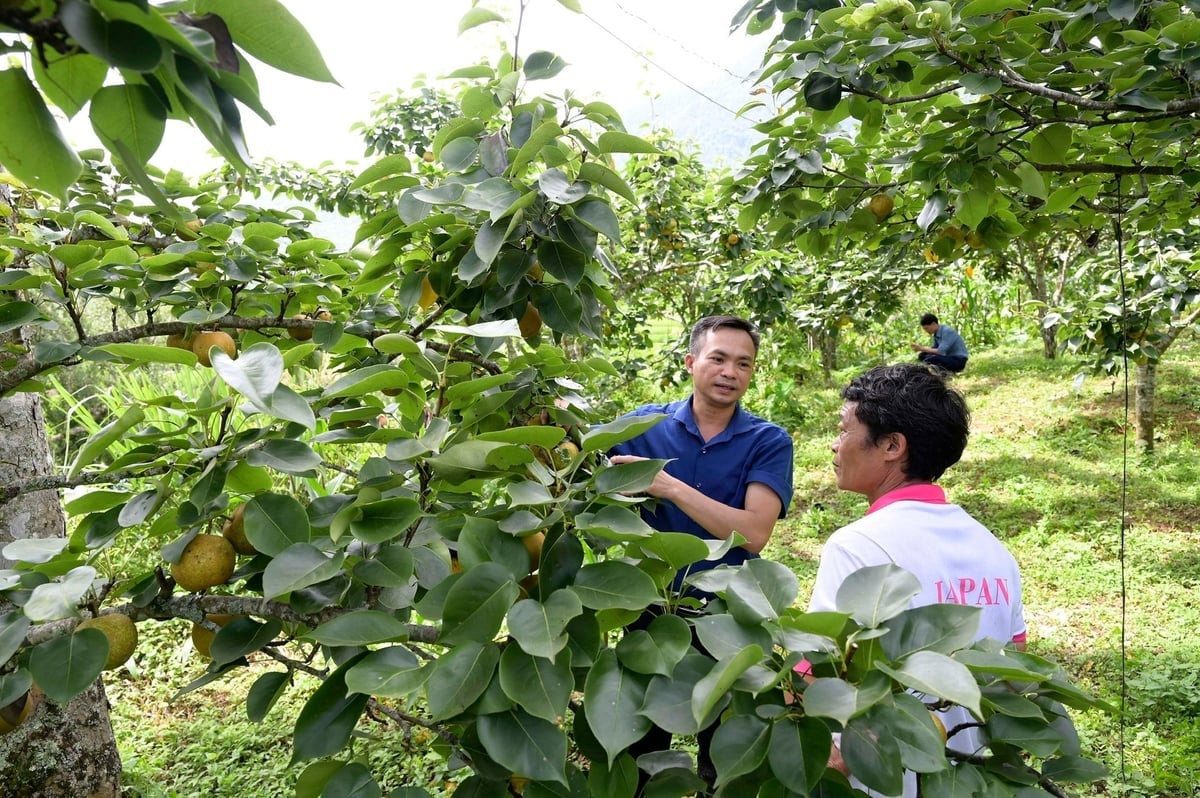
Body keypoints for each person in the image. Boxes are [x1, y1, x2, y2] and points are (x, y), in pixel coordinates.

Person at [809, 362, 1025, 797]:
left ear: (891, 445)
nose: (835, 445)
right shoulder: (995, 551)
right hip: (970, 779)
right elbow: (1013, 679)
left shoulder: (857, 546)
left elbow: (817, 676)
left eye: (844, 429)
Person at [609, 314, 794, 787]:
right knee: (642, 747)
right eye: (718, 358)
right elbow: (572, 446)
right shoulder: (641, 427)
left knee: (724, 755)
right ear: (691, 362)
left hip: (731, 618)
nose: (730, 371)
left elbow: (753, 534)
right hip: (649, 614)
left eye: (743, 363)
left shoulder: (767, 441)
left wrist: (670, 488)